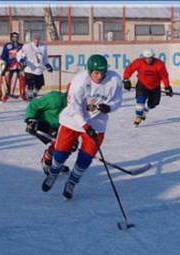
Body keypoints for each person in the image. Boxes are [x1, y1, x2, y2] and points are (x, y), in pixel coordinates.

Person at [41, 54, 123, 200]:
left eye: (102, 73)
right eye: (96, 73)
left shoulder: (114, 80)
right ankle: (53, 173)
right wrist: (85, 126)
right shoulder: (79, 81)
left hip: (97, 122)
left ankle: (72, 182)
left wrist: (109, 107)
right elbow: (74, 107)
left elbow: (117, 100)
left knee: (86, 157)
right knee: (60, 153)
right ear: (89, 71)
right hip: (73, 120)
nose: (99, 76)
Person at [23, 85, 74, 175]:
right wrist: (30, 119)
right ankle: (47, 162)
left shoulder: (77, 107)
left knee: (69, 146)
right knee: (58, 143)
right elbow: (33, 104)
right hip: (41, 122)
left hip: (58, 126)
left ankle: (56, 164)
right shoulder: (55, 99)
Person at [122, 48, 173, 127]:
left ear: (153, 57)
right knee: (140, 100)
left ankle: (145, 110)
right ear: (143, 57)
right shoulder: (138, 62)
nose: (148, 60)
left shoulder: (159, 64)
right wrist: (126, 79)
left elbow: (164, 76)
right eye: (146, 58)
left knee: (153, 104)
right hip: (142, 85)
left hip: (155, 86)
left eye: (150, 58)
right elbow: (129, 70)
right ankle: (138, 117)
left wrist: (167, 87)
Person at [16, 33, 53, 101]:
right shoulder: (27, 46)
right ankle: (30, 97)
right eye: (35, 39)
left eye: (38, 39)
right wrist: (21, 61)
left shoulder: (43, 46)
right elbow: (19, 55)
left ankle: (34, 94)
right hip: (29, 69)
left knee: (40, 84)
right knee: (30, 85)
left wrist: (47, 65)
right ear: (32, 40)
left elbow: (45, 58)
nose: (37, 41)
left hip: (39, 69)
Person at [0, 32, 25, 101]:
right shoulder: (7, 45)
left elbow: (24, 55)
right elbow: (4, 56)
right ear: (11, 38)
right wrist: (3, 65)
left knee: (22, 78)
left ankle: (23, 94)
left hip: (19, 65)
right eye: (13, 37)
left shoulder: (21, 46)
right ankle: (5, 95)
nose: (15, 39)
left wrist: (23, 61)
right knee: (7, 78)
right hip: (9, 65)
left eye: (16, 37)